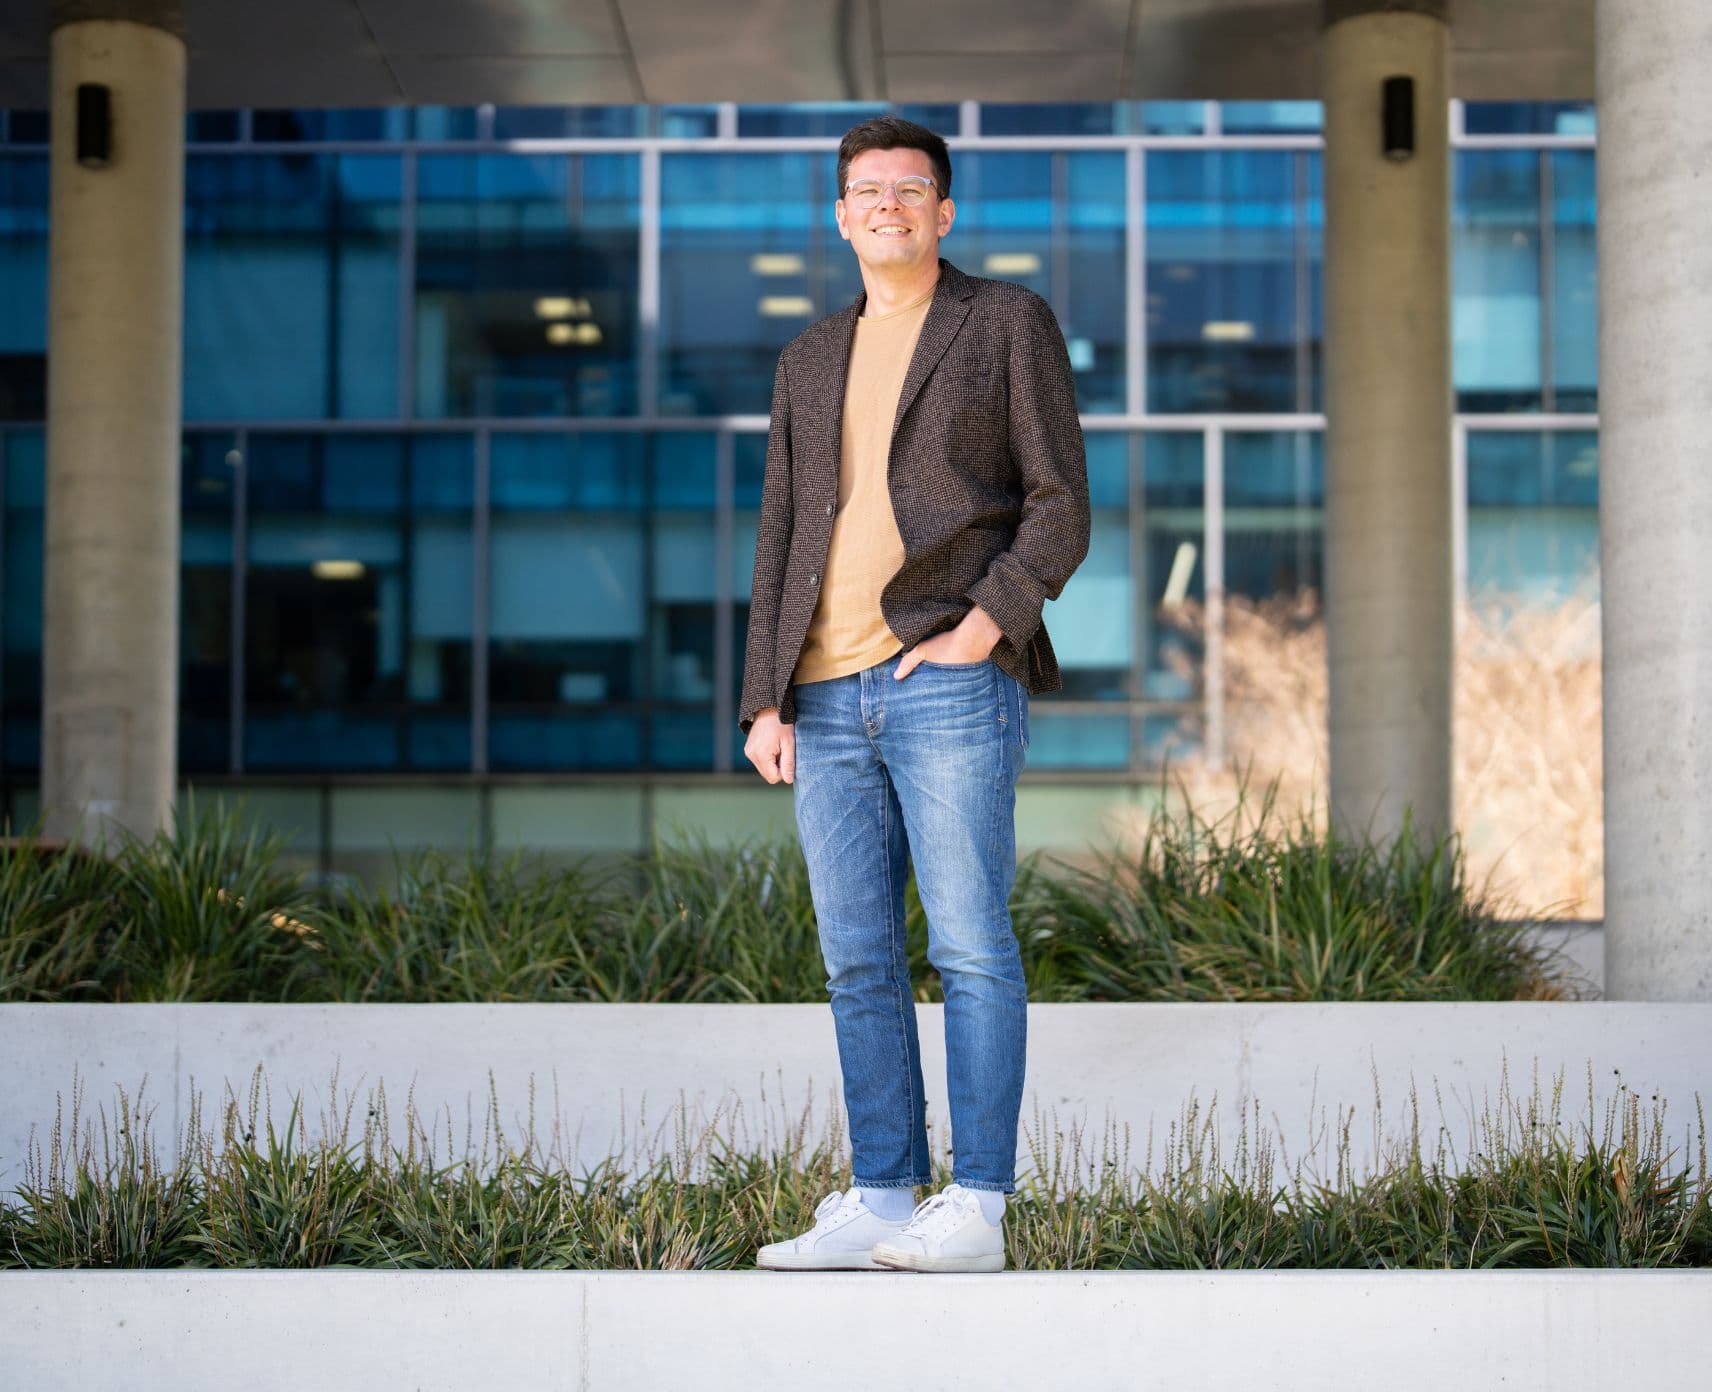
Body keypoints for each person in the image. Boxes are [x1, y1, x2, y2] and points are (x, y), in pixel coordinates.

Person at [741, 115, 1090, 1274]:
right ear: (839, 217)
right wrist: (764, 698)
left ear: (943, 211)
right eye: (865, 190)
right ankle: (882, 1196)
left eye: (909, 187)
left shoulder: (1002, 323)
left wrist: (985, 625)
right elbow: (782, 531)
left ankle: (977, 1205)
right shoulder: (803, 358)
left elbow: (1057, 501)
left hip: (946, 675)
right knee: (854, 958)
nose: (886, 204)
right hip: (824, 694)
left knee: (971, 946)